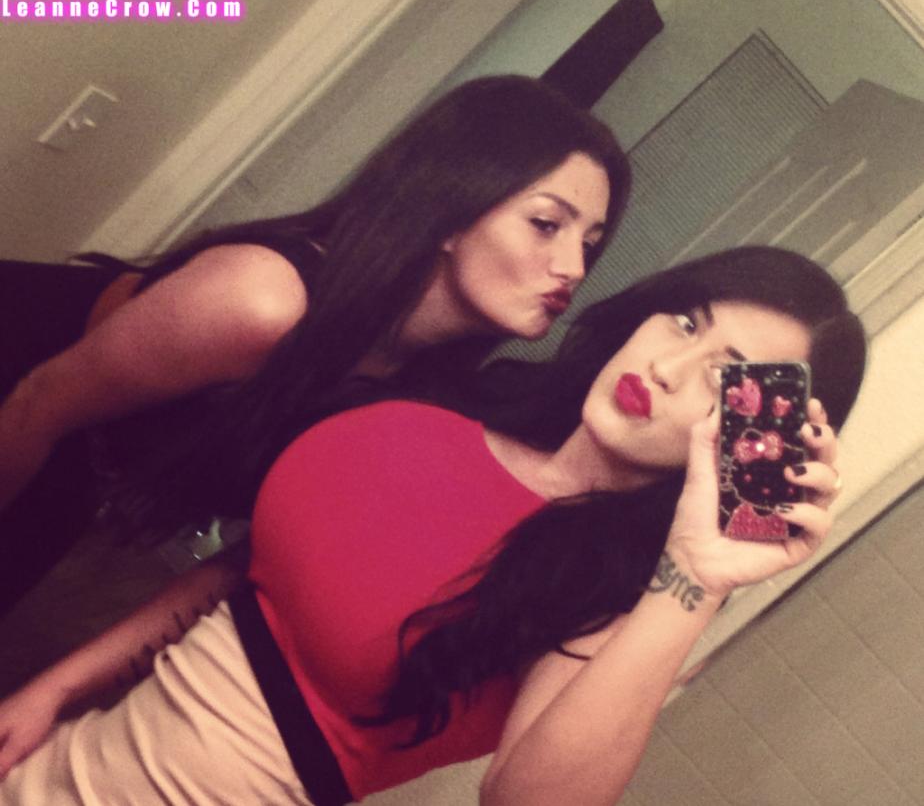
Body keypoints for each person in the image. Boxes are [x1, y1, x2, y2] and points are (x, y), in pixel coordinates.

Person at [0, 246, 865, 805]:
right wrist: (56, 690)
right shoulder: (464, 405)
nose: (670, 367)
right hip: (56, 763)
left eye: (727, 379)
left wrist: (697, 578)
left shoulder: (615, 597)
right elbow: (245, 575)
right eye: (684, 322)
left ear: (756, 445)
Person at [0, 74, 628, 612]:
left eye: (589, 244)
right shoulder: (261, 300)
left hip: (71, 471)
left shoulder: (415, 389)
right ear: (452, 207)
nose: (574, 267)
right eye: (546, 224)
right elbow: (35, 403)